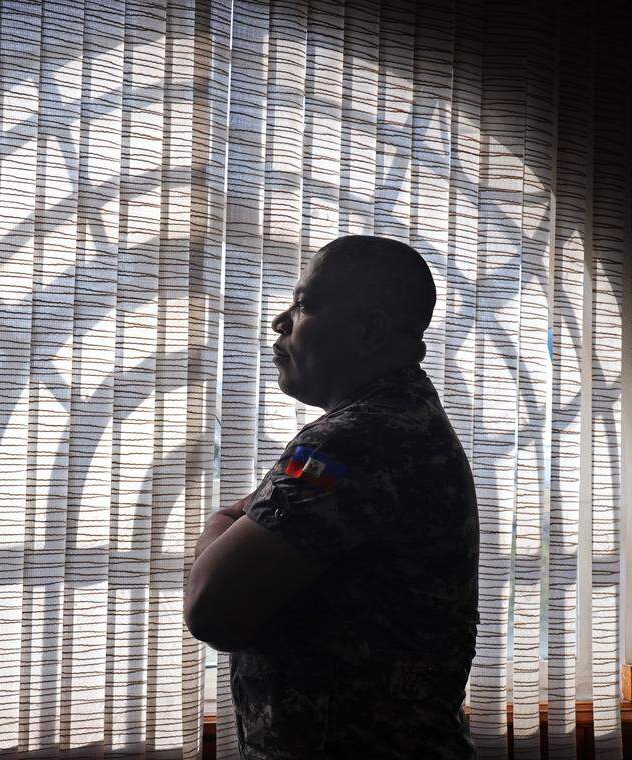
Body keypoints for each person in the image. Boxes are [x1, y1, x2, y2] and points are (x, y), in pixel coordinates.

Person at [184, 235, 479, 758]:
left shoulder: (353, 441)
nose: (281, 321)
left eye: (306, 305)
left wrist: (217, 522)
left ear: (370, 330)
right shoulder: (390, 423)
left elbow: (212, 608)